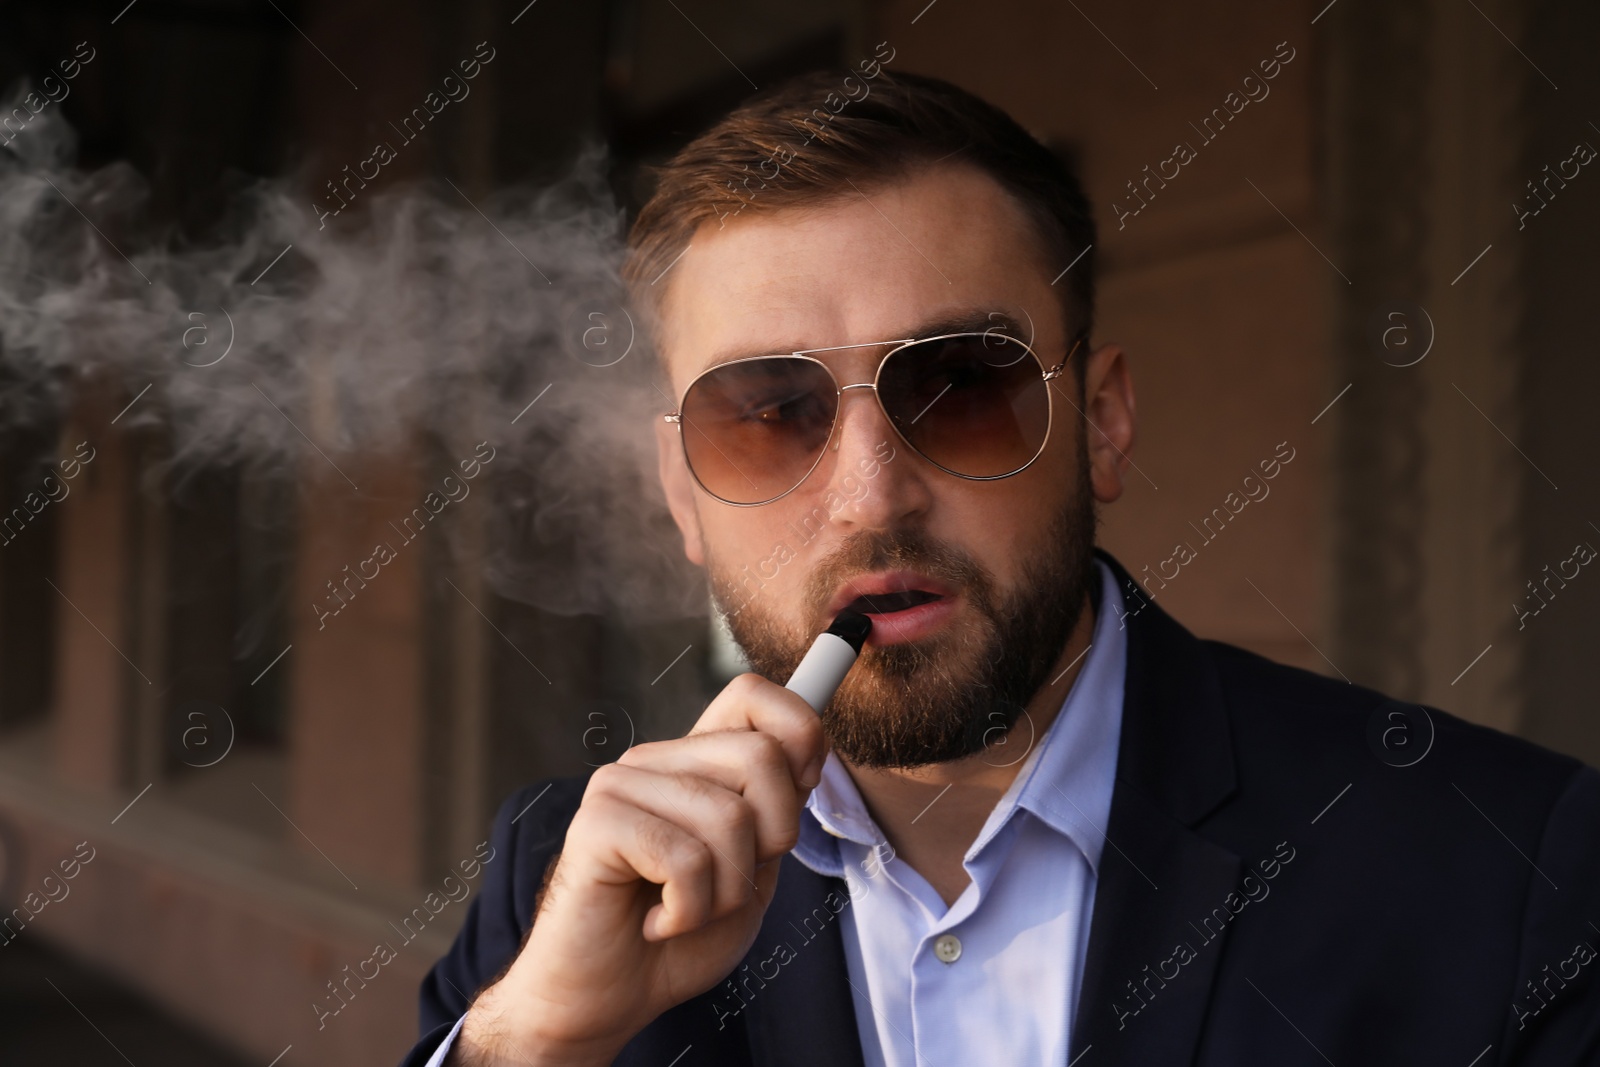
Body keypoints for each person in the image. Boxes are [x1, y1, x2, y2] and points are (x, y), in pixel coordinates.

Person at [402, 68, 1600, 1067]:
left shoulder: (1501, 865)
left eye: (963, 386)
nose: (870, 493)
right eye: (766, 414)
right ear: (684, 495)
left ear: (1103, 419)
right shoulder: (560, 887)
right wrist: (528, 1040)